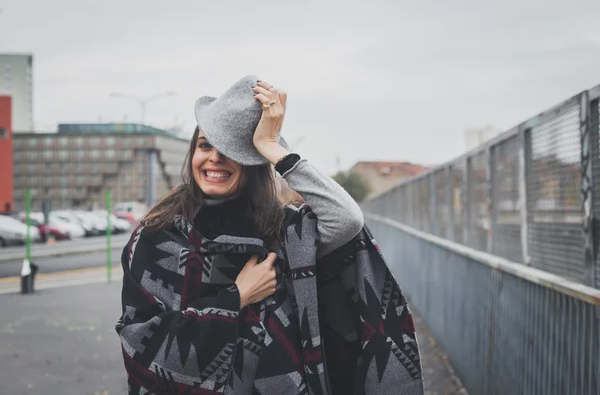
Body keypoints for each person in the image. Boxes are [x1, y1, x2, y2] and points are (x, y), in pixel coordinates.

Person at [116, 75, 424, 395]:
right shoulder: (157, 234)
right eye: (205, 145)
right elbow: (139, 339)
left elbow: (347, 220)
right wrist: (236, 297)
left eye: (232, 149)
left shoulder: (282, 232)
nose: (215, 158)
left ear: (254, 163)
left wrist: (273, 148)